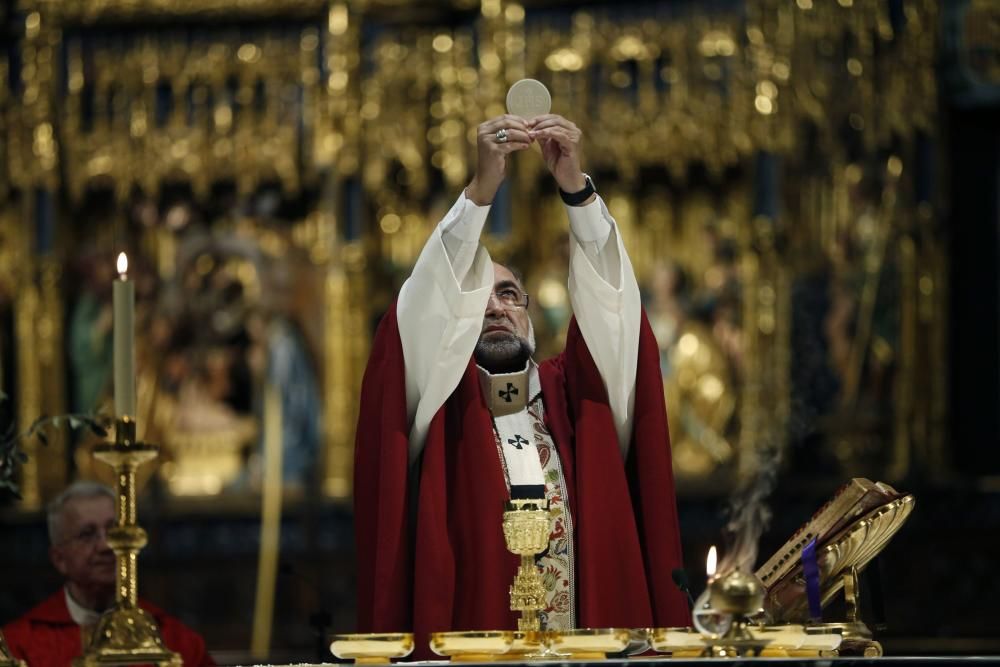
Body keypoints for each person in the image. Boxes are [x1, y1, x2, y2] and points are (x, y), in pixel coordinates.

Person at [354, 113, 690, 652]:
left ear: (531, 313)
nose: (494, 307)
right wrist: (480, 192)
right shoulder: (437, 406)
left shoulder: (575, 401)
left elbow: (616, 313)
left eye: (509, 294)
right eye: (476, 299)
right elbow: (418, 313)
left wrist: (576, 191)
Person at [1, 481, 214, 666]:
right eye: (87, 534)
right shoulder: (20, 645)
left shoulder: (175, 640)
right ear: (60, 559)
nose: (106, 545)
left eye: (114, 531)